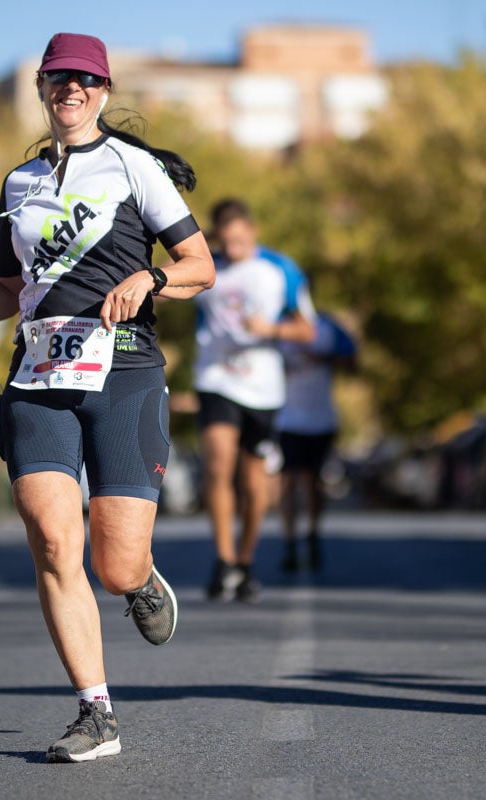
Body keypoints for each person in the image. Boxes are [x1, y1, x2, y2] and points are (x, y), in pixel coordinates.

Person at [0, 32, 215, 763]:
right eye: (58, 79)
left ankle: (138, 580)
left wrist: (150, 279)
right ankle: (95, 712)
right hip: (38, 380)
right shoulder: (18, 183)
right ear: (44, 88)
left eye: (85, 80)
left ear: (104, 92)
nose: (70, 90)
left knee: (113, 565)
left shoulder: (134, 168)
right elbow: (10, 294)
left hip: (124, 372)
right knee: (54, 541)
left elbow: (199, 265)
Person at [194, 197, 316, 603]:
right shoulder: (204, 265)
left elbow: (307, 331)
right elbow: (161, 291)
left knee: (253, 481)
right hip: (215, 379)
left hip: (263, 387)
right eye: (225, 242)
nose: (232, 250)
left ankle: (245, 561)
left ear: (253, 231)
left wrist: (271, 328)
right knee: (217, 465)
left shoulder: (280, 269)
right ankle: (223, 560)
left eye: (239, 241)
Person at [276, 310, 357, 573]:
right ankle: (289, 542)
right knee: (287, 480)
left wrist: (323, 359)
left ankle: (312, 533)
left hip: (321, 419)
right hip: (285, 417)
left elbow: (353, 364)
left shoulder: (328, 327)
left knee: (313, 481)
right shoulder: (276, 326)